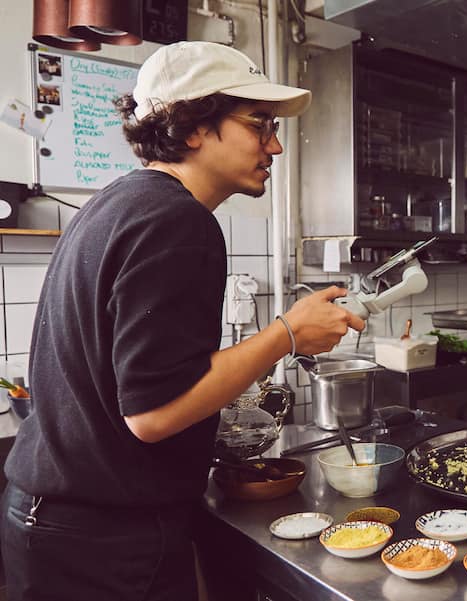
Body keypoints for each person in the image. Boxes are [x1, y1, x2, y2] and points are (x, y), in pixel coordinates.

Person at [1, 41, 365, 601]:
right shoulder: (178, 221)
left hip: (55, 522)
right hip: (104, 542)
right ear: (192, 127)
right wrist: (286, 334)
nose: (275, 145)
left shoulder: (119, 202)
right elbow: (152, 414)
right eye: (258, 123)